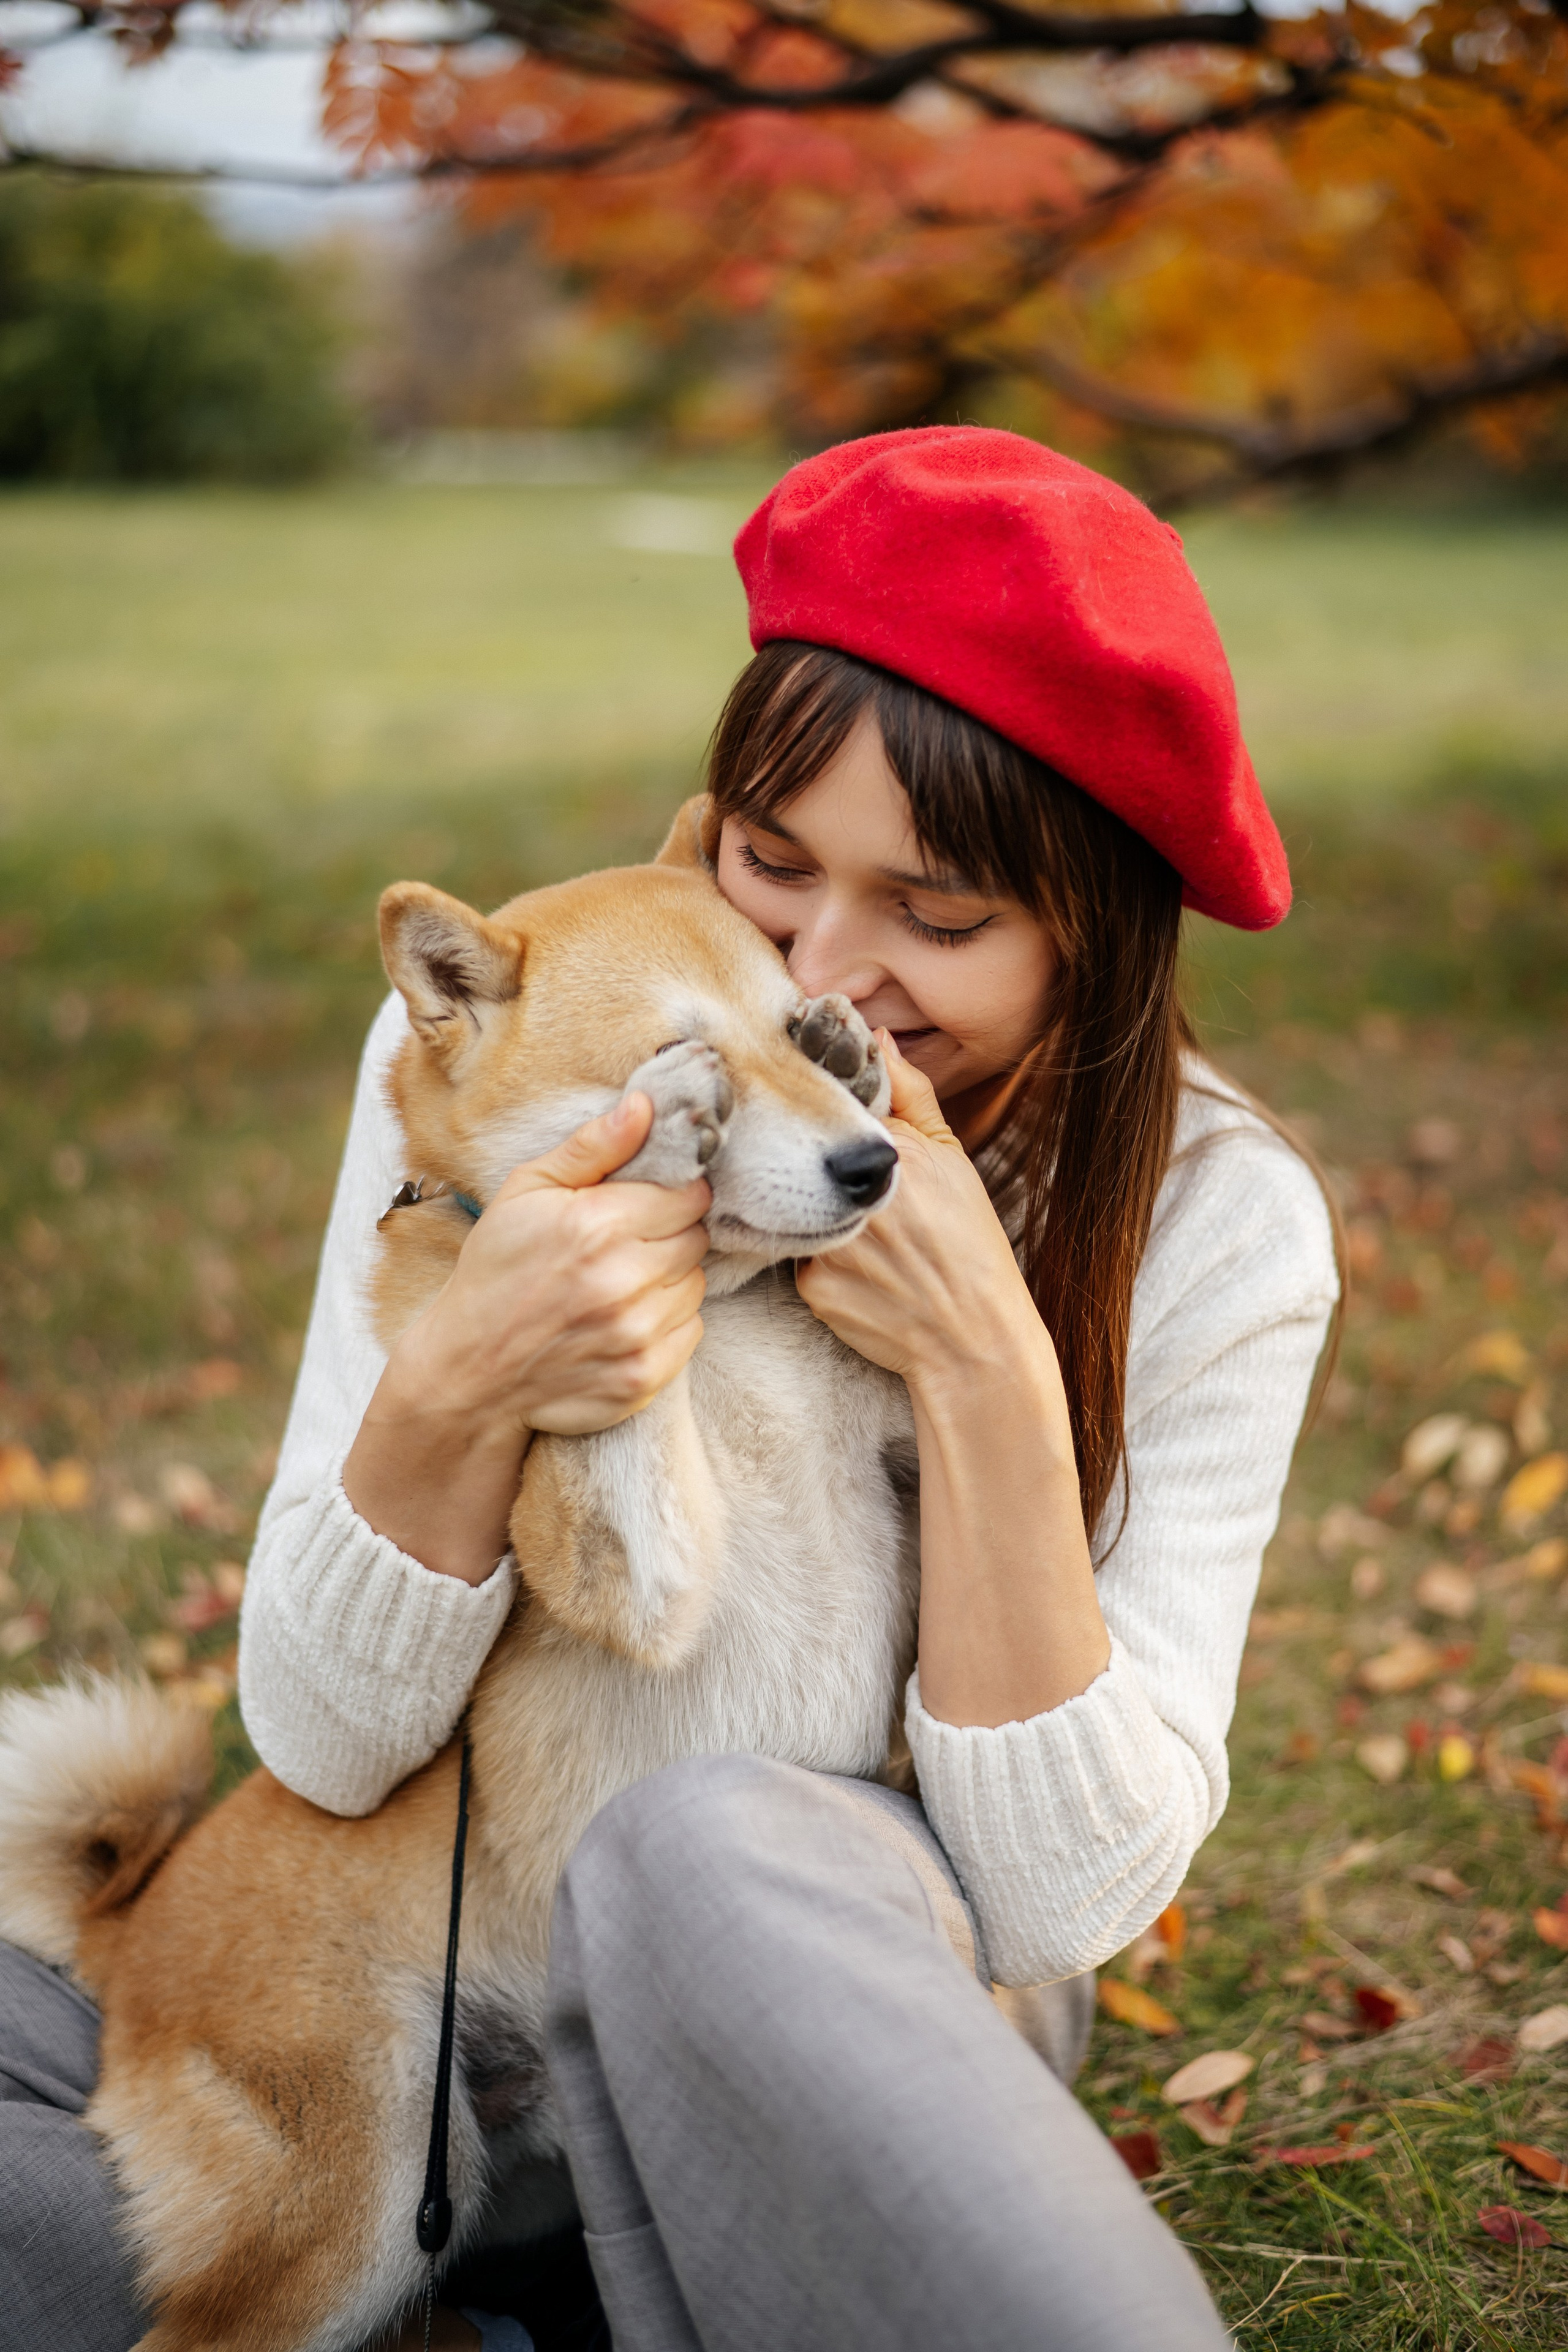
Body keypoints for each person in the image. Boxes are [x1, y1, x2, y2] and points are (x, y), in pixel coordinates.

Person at [0, 428, 1338, 2352]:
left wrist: (983, 1362)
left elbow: (1056, 1902)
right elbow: (321, 1737)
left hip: (835, 1973)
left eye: (940, 918)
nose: (822, 967)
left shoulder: (1225, 1221)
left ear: (1094, 938)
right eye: (771, 862)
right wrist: (462, 1378)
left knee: (699, 1848)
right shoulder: (521, 1047)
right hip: (438, 1971)